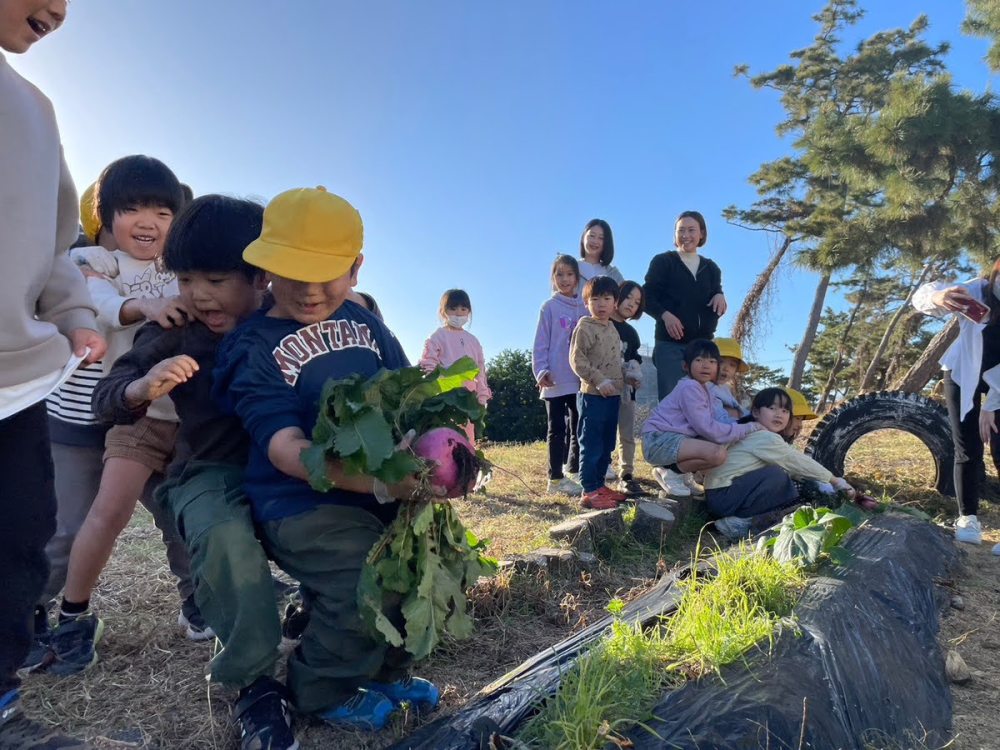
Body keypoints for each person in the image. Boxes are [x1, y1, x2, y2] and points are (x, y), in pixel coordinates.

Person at [213, 186, 441, 731]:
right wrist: (382, 485)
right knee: (363, 580)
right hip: (299, 502)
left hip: (383, 490)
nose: (311, 291)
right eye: (292, 274)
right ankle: (320, 689)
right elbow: (287, 449)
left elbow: (411, 395)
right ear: (265, 268)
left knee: (414, 570)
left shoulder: (368, 326)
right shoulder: (252, 345)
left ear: (356, 269)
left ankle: (387, 669)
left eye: (328, 275)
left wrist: (438, 442)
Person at [90, 195, 298, 750]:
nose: (198, 293)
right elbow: (107, 396)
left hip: (290, 466)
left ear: (261, 277)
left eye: (215, 277)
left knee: (348, 520)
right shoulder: (176, 328)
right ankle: (253, 685)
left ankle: (331, 643)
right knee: (223, 536)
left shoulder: (293, 319)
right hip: (207, 469)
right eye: (185, 278)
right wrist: (144, 383)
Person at [27, 188, 198, 674]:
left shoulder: (173, 267)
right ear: (104, 217)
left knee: (176, 518)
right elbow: (94, 298)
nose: (149, 221)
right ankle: (36, 615)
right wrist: (142, 308)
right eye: (133, 209)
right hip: (79, 419)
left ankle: (197, 604)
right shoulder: (92, 258)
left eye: (164, 212)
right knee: (68, 528)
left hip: (141, 418)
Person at [0, 1, 107, 745]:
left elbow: (56, 234)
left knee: (20, 528)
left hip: (16, 374)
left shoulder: (34, 107)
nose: (58, 10)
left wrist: (74, 316)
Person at [913, 267, 1000, 547]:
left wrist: (992, 405)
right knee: (967, 446)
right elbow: (922, 296)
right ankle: (968, 517)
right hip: (963, 372)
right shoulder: (977, 289)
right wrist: (939, 297)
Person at [703, 388, 856, 539]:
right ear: (756, 412)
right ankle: (738, 524)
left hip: (723, 495)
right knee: (776, 475)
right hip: (723, 497)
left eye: (785, 411)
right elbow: (795, 462)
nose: (779, 414)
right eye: (772, 408)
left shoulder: (754, 432)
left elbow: (794, 467)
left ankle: (744, 518)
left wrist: (823, 483)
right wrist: (834, 481)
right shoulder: (764, 437)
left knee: (781, 477)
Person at [641, 340, 759, 497]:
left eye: (712, 361)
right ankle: (672, 473)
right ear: (685, 366)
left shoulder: (706, 390)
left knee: (717, 446)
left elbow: (720, 421)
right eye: (699, 360)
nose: (706, 365)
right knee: (717, 453)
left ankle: (680, 474)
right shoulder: (690, 387)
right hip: (658, 441)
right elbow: (708, 428)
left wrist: (749, 420)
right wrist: (748, 427)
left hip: (670, 439)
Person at [643, 210, 726, 400]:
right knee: (673, 402)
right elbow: (646, 296)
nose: (686, 236)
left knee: (703, 402)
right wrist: (665, 315)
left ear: (702, 234)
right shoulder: (663, 261)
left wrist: (720, 295)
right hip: (670, 345)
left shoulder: (711, 268)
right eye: (681, 230)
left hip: (702, 347)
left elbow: (715, 294)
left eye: (691, 230)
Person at [569, 276, 628, 510]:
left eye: (607, 298)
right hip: (592, 396)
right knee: (591, 444)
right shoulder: (584, 326)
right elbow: (576, 360)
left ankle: (600, 485)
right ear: (586, 303)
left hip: (613, 397)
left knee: (607, 444)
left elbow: (614, 360)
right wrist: (598, 380)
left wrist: (628, 377)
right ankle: (589, 491)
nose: (601, 304)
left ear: (615, 303)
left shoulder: (613, 329)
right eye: (595, 299)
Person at [533, 255, 587, 496]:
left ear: (577, 278)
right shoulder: (549, 307)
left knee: (579, 426)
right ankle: (554, 478)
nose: (564, 279)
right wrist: (541, 370)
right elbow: (540, 343)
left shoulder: (586, 308)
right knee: (556, 429)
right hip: (554, 378)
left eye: (569, 274)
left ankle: (573, 472)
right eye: (559, 274)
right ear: (553, 279)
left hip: (579, 379)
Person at [418, 288, 491, 443]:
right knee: (445, 441)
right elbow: (428, 364)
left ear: (469, 312)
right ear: (443, 311)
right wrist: (434, 389)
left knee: (467, 441)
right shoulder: (437, 336)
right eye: (453, 308)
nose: (458, 313)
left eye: (463, 309)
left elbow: (480, 370)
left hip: (468, 400)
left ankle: (468, 467)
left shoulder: (473, 341)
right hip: (445, 401)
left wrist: (482, 396)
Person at [610, 281, 644, 494]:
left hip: (626, 392)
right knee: (601, 433)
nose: (632, 304)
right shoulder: (600, 324)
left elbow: (635, 358)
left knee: (627, 433)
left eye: (637, 302)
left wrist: (636, 374)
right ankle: (599, 472)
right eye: (629, 297)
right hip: (600, 390)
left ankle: (627, 474)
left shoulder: (631, 333)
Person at [577, 219, 624, 293]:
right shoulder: (571, 269)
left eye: (601, 238)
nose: (595, 241)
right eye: (592, 236)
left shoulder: (613, 274)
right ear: (583, 238)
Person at [712, 338, 750, 422]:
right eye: (721, 362)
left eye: (732, 365)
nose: (726, 368)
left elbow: (740, 411)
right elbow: (718, 418)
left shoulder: (725, 388)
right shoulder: (705, 387)